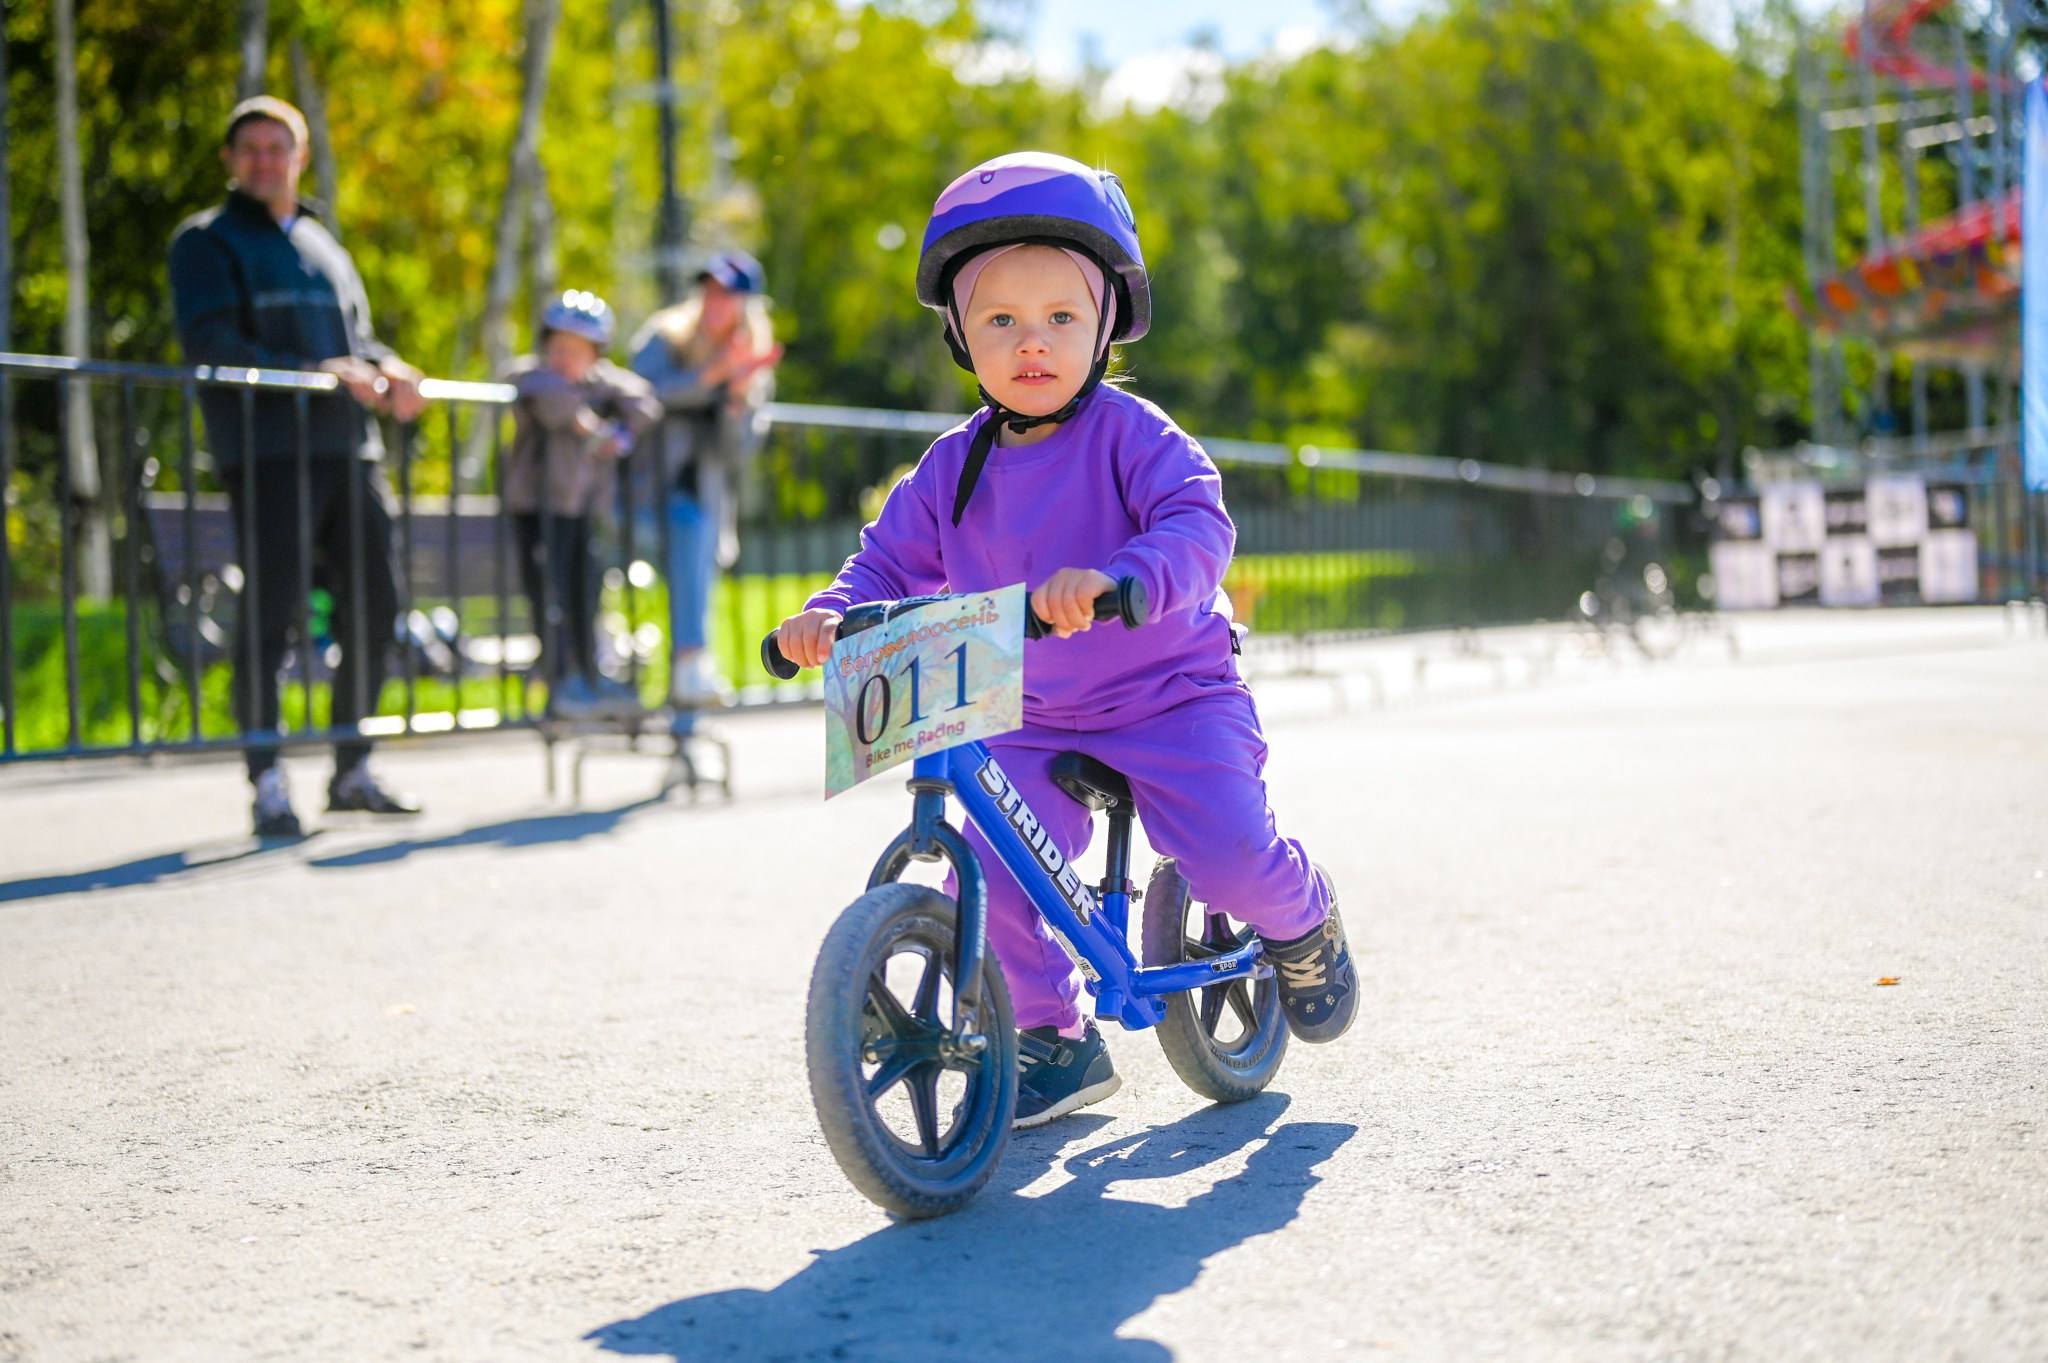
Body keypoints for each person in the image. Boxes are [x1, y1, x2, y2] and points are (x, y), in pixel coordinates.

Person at [772, 152, 1359, 1128]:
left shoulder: (1133, 435)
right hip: (1031, 708)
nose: (1029, 342)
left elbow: (1195, 523)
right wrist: (831, 615)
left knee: (1224, 857)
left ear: (1103, 327)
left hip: (1169, 692)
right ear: (962, 336)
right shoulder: (950, 468)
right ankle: (1052, 1037)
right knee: (994, 867)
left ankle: (1300, 917)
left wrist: (1124, 579)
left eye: (1058, 318)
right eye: (999, 319)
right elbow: (885, 563)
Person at [169, 95, 427, 839]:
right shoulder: (206, 241)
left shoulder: (323, 244)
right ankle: (267, 777)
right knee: (274, 608)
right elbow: (213, 345)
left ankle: (352, 767)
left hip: (351, 450)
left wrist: (393, 369)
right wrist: (318, 370)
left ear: (300, 155)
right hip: (269, 452)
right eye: (248, 148)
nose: (263, 160)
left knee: (378, 602)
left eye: (277, 147)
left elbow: (362, 343)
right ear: (229, 160)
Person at [628, 251, 783, 719]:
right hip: (635, 495)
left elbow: (739, 455)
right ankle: (688, 670)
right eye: (709, 291)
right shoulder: (663, 337)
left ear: (746, 304)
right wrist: (709, 377)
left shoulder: (752, 367)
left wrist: (736, 398)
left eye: (727, 294)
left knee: (697, 550)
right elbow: (639, 396)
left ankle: (687, 712)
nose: (715, 302)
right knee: (692, 532)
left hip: (701, 504)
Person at [502, 290, 662, 719]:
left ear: (596, 354)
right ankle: (558, 678)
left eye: (576, 350)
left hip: (581, 510)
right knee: (547, 596)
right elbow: (540, 392)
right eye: (557, 347)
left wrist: (621, 434)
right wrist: (589, 425)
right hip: (537, 509)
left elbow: (645, 402)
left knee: (584, 594)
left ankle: (587, 675)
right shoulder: (534, 379)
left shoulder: (600, 382)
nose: (564, 358)